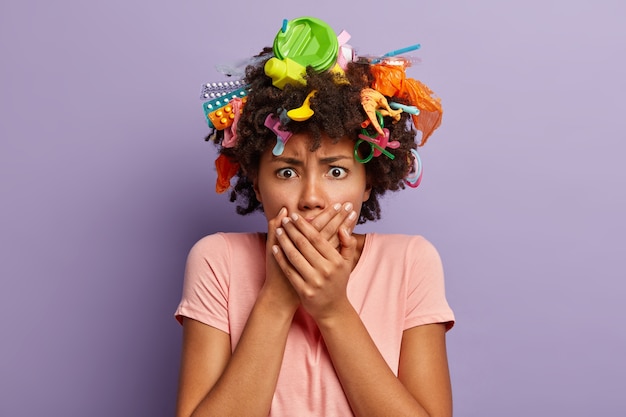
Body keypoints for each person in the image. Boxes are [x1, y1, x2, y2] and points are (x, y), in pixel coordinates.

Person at [175, 16, 455, 417]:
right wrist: (275, 298)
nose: (311, 198)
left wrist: (332, 309)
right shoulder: (217, 260)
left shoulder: (411, 262)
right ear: (256, 182)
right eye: (286, 172)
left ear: (368, 182)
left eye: (336, 171)